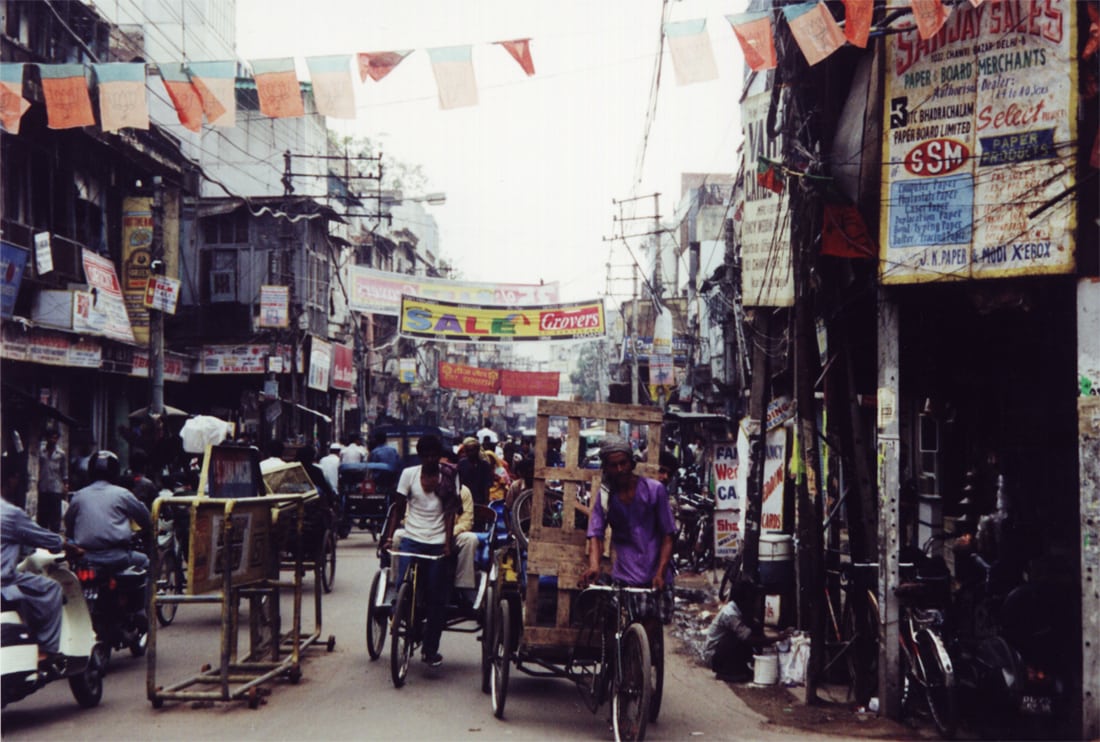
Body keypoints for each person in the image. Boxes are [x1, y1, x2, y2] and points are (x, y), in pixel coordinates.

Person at [583, 434, 676, 638]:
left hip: (655, 575)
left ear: (631, 463)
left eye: (623, 463)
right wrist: (595, 566)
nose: (619, 469)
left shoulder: (655, 491)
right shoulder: (606, 497)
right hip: (625, 576)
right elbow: (596, 534)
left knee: (650, 631)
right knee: (618, 632)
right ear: (606, 468)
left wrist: (660, 572)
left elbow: (668, 535)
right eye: (613, 465)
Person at [381, 434, 462, 667]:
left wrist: (447, 544)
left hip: (437, 542)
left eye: (433, 455)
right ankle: (400, 616)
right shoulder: (409, 475)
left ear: (439, 456)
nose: (429, 459)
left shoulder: (449, 476)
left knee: (437, 597)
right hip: (412, 539)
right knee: (401, 585)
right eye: (425, 455)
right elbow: (398, 507)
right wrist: (389, 536)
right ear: (420, 456)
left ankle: (430, 649)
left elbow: (450, 513)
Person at [1, 454, 78, 669]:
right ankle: (47, 651)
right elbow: (45, 537)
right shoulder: (11, 514)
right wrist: (69, 547)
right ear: (12, 480)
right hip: (4, 582)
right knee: (51, 589)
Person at [64, 450, 152, 575]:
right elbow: (145, 519)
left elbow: (69, 525)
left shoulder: (79, 496)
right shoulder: (123, 494)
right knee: (144, 562)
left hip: (85, 558)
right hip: (118, 557)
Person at [702, 579, 790, 681]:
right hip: (714, 656)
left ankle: (741, 668)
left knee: (753, 626)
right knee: (737, 637)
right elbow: (749, 639)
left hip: (721, 652)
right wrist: (778, 638)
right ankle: (726, 671)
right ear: (744, 598)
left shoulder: (740, 609)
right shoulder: (730, 614)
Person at [36, 429, 68, 532]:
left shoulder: (61, 454)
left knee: (55, 516)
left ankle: (53, 537)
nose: (53, 440)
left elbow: (64, 470)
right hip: (43, 487)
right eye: (51, 437)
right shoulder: (41, 451)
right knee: (43, 516)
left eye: (55, 438)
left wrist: (65, 484)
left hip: (56, 487)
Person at [457, 436, 493, 506]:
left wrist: (486, 503)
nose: (470, 453)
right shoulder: (462, 463)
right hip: (465, 500)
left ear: (477, 450)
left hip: (480, 501)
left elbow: (486, 486)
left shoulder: (484, 465)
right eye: (468, 451)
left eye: (472, 450)